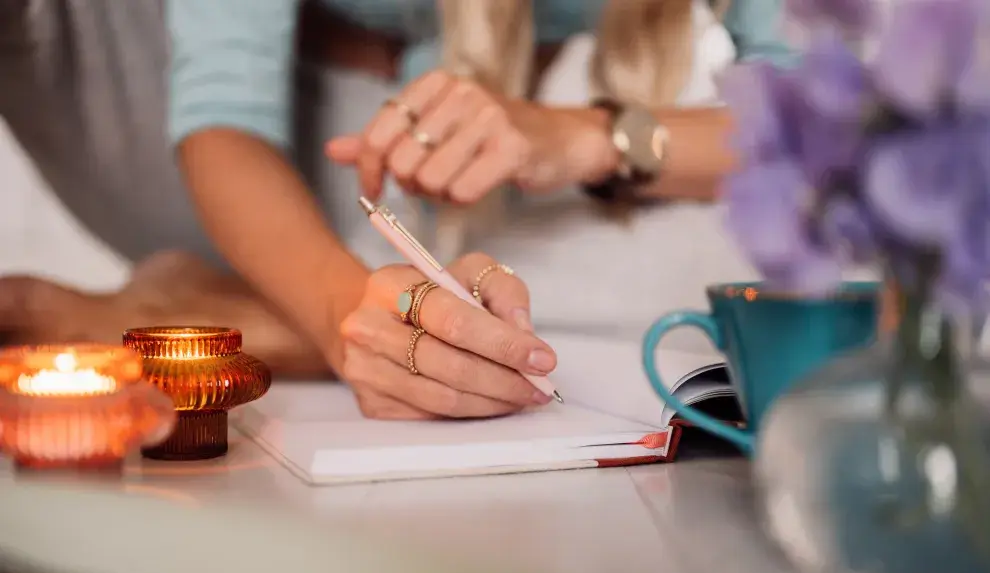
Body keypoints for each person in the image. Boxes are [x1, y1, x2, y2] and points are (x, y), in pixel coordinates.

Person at [0, 0, 790, 420]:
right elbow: (223, 113)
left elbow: (823, 128)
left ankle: (211, 320)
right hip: (216, 133)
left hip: (491, 128)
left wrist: (590, 137)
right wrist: (349, 318)